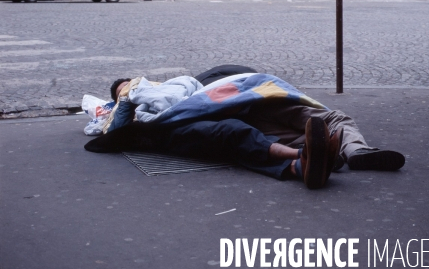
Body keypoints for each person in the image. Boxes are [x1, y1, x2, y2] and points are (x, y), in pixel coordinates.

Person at [89, 68, 405, 191]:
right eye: (122, 89)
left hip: (246, 100)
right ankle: (307, 158)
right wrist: (127, 96)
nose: (130, 87)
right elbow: (110, 133)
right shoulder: (126, 106)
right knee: (234, 132)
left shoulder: (171, 83)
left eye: (130, 82)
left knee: (326, 118)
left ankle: (354, 151)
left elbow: (209, 85)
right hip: (223, 117)